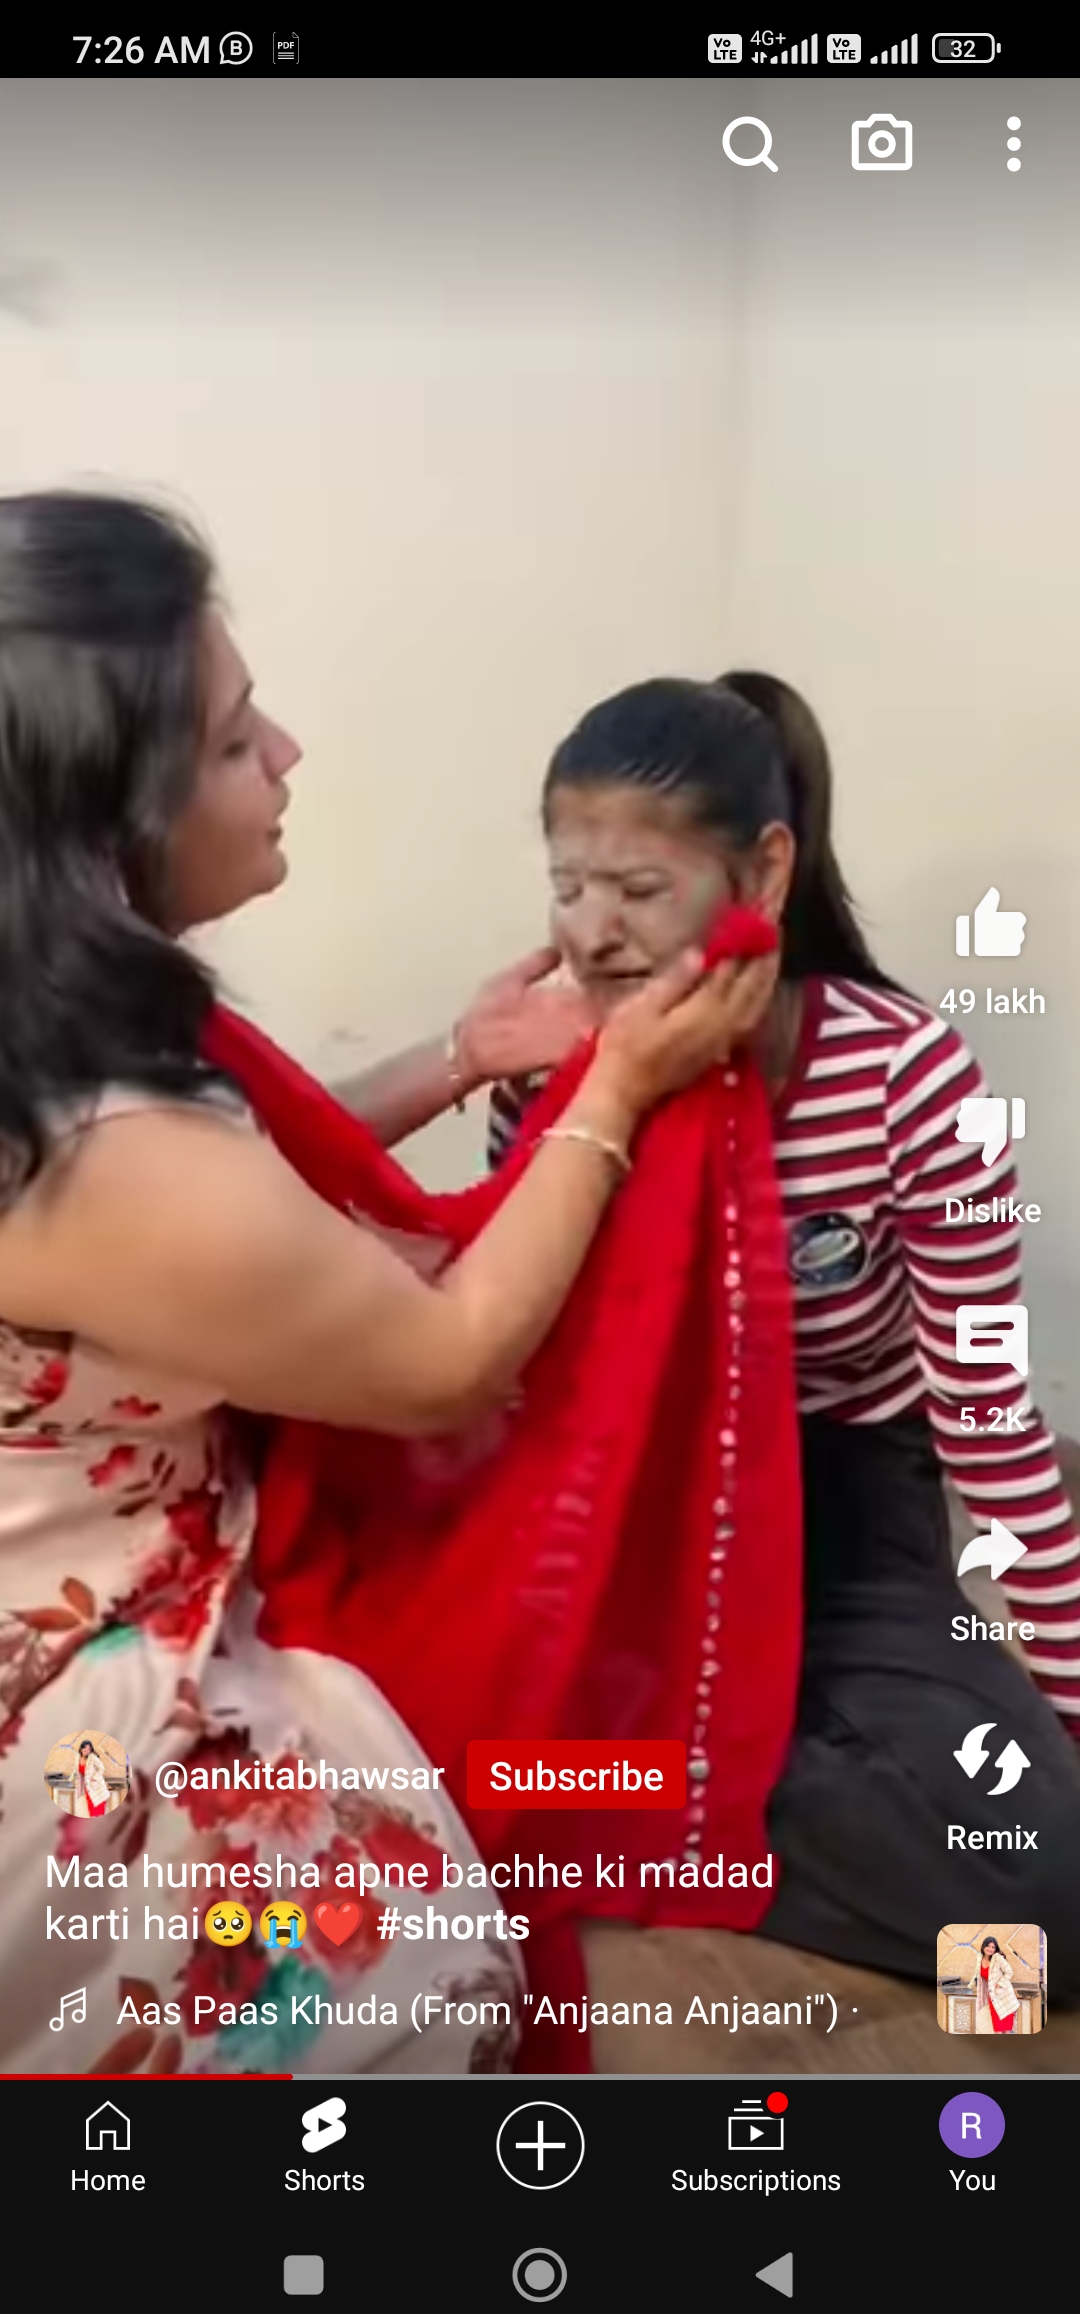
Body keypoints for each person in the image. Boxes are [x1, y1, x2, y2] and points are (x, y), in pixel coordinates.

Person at [0, 492, 770, 2077]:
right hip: (79, 1706)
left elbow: (231, 1215)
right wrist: (617, 1096)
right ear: (102, 811)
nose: (286, 754)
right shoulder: (98, 1147)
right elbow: (442, 1364)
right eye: (233, 741)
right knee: (413, 1946)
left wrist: (459, 1059)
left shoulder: (53, 1039)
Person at [486, 672, 1080, 1992]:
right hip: (631, 1498)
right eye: (568, 886)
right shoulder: (548, 1072)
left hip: (842, 1508)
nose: (593, 933)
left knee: (1045, 1883)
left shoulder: (909, 1077)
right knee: (404, 1727)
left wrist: (1070, 1705)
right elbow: (528, 1359)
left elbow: (989, 1419)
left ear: (762, 872)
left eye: (638, 891)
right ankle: (660, 1788)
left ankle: (623, 1807)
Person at [976, 1935, 1020, 2033]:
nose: (990, 1949)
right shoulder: (980, 1959)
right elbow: (978, 1974)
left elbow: (1009, 1972)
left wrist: (1000, 1983)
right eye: (988, 1946)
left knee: (1007, 2030)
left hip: (1005, 1996)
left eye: (993, 1947)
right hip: (993, 1997)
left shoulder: (998, 1958)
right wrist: (972, 1983)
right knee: (997, 2029)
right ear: (983, 1946)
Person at [75, 1737, 108, 1818]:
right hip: (88, 1788)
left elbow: (102, 1768)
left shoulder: (92, 1757)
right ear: (81, 1748)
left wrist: (94, 1777)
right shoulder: (77, 1758)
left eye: (89, 1749)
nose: (87, 1750)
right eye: (85, 1748)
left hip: (97, 1786)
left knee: (99, 1812)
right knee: (92, 1811)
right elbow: (78, 1774)